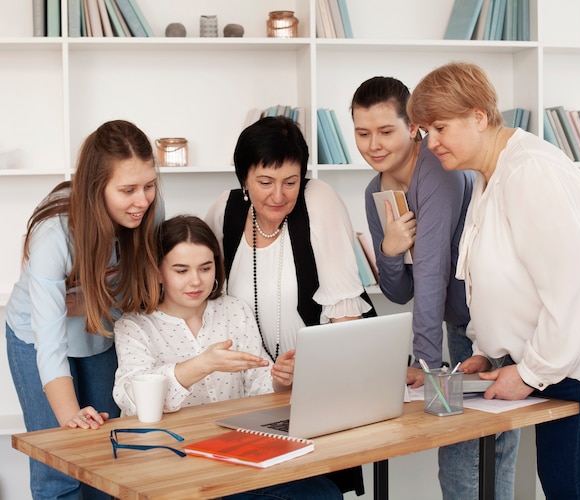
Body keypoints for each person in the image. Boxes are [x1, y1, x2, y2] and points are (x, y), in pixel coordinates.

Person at [407, 61, 580, 499]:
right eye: (425, 132)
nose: (431, 143)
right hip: (559, 372)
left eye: (440, 128)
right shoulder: (492, 176)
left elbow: (577, 287)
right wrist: (489, 354)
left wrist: (528, 372)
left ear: (479, 117)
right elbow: (508, 282)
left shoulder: (530, 172)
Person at [351, 76, 520, 499]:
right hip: (460, 327)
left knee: (475, 456)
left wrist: (426, 371)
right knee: (467, 457)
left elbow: (431, 274)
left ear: (412, 128)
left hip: (489, 324)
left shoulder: (437, 170)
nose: (374, 144)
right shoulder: (375, 191)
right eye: (362, 132)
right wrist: (390, 249)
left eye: (385, 131)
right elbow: (398, 291)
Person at [113, 214, 343, 500]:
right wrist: (201, 365)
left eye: (205, 268)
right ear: (158, 271)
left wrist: (279, 380)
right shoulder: (134, 325)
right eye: (181, 270)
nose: (196, 281)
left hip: (237, 454)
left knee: (322, 493)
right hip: (169, 464)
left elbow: (257, 380)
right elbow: (129, 397)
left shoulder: (234, 310)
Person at [205, 115, 374, 495]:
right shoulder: (225, 211)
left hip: (314, 389)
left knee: (316, 489)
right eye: (265, 182)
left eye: (290, 182)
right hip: (246, 396)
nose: (278, 195)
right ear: (243, 178)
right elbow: (202, 294)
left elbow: (344, 313)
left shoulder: (318, 200)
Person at [5, 119, 162, 500]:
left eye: (149, 185)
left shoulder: (141, 215)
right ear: (97, 189)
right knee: (61, 466)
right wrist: (68, 418)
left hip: (98, 332)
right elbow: (50, 341)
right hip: (36, 339)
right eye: (128, 189)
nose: (142, 200)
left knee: (110, 458)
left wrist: (89, 302)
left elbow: (144, 293)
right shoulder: (53, 236)